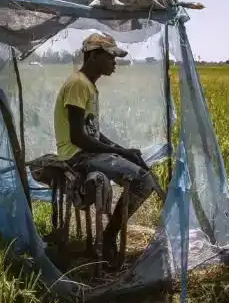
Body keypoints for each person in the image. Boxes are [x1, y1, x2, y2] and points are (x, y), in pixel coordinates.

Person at [53, 32, 161, 260]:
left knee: (139, 172)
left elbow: (92, 132)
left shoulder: (87, 85)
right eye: (111, 57)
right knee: (143, 180)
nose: (115, 63)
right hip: (78, 156)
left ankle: (110, 234)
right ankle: (110, 236)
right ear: (94, 56)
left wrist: (123, 150)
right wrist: (118, 152)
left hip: (85, 152)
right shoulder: (78, 84)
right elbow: (78, 137)